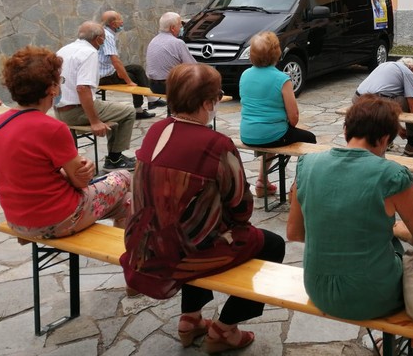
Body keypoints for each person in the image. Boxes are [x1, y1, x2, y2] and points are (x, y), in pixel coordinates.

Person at [120, 63, 286, 353]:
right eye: (218, 96)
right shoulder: (216, 144)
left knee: (193, 225)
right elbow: (241, 207)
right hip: (179, 250)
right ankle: (225, 329)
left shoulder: (156, 130)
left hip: (144, 242)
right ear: (208, 102)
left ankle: (191, 318)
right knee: (272, 245)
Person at [286, 95, 413, 320]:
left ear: (346, 130)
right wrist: (398, 231)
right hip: (373, 295)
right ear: (385, 139)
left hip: (318, 289)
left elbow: (295, 233)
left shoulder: (307, 164)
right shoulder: (392, 175)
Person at [0, 46, 131, 240]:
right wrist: (84, 169)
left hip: (18, 220)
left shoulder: (2, 121)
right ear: (52, 88)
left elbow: (29, 171)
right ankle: (130, 251)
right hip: (58, 219)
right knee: (124, 176)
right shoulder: (52, 128)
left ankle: (122, 246)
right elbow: (80, 182)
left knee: (127, 202)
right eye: (60, 80)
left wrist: (66, 172)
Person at [239, 31, 316, 197]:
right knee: (309, 138)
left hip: (247, 133)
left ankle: (262, 182)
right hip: (272, 134)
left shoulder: (245, 75)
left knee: (272, 133)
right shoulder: (282, 79)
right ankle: (297, 187)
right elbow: (294, 118)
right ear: (276, 53)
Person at [55, 22, 138, 172]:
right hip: (76, 111)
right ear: (98, 39)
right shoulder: (89, 53)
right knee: (128, 112)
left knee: (113, 110)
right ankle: (115, 159)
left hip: (60, 110)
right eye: (104, 38)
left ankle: (115, 157)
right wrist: (94, 121)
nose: (104, 41)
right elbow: (83, 88)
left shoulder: (63, 50)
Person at [355, 58, 413, 156]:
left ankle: (385, 140)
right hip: (375, 102)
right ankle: (412, 144)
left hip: (357, 98)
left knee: (391, 98)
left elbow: (385, 90)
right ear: (411, 68)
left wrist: (398, 128)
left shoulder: (384, 65)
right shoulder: (407, 72)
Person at [98, 10, 162, 118]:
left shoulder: (106, 33)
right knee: (132, 78)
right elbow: (115, 60)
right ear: (113, 23)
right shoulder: (107, 36)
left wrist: (121, 73)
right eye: (119, 19)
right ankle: (139, 110)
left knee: (137, 68)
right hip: (103, 76)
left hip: (108, 70)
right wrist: (129, 81)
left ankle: (151, 99)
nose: (122, 22)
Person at [145, 12, 196, 95]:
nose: (182, 27)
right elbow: (193, 66)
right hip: (170, 86)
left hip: (153, 85)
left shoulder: (153, 41)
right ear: (172, 28)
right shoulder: (177, 43)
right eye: (180, 25)